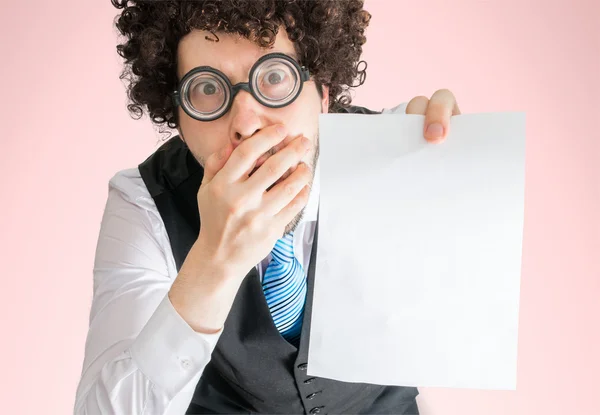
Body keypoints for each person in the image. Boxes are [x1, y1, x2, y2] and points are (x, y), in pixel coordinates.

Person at [74, 1, 461, 414]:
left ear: (323, 94)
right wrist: (213, 264)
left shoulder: (389, 158)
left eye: (274, 77)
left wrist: (454, 160)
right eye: (207, 88)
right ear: (179, 120)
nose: (245, 122)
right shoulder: (145, 203)